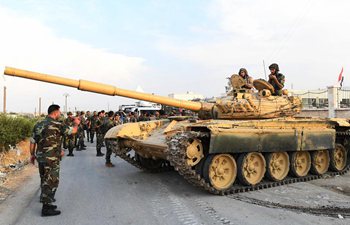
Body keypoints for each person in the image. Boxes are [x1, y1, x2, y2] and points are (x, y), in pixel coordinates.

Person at [30, 104, 80, 216]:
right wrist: (76, 123)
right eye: (59, 112)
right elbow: (73, 131)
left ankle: (46, 200)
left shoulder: (38, 124)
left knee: (44, 178)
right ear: (56, 112)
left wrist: (32, 155)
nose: (60, 114)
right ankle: (46, 208)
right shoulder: (58, 124)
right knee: (52, 181)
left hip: (41, 157)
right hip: (51, 158)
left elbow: (32, 141)